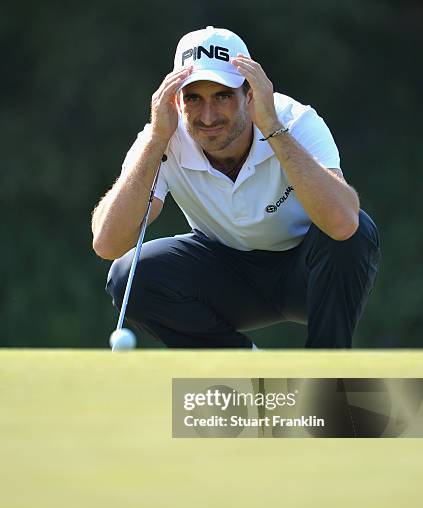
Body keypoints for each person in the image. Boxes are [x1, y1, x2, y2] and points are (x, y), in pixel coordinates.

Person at [92, 26, 380, 349]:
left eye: (223, 96)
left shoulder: (293, 120)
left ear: (249, 94)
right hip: (226, 275)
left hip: (309, 273)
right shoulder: (163, 136)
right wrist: (157, 140)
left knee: (357, 233)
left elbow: (343, 223)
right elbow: (108, 243)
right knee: (129, 275)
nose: (208, 116)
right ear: (176, 100)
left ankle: (326, 379)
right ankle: (247, 372)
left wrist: (272, 128)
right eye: (194, 99)